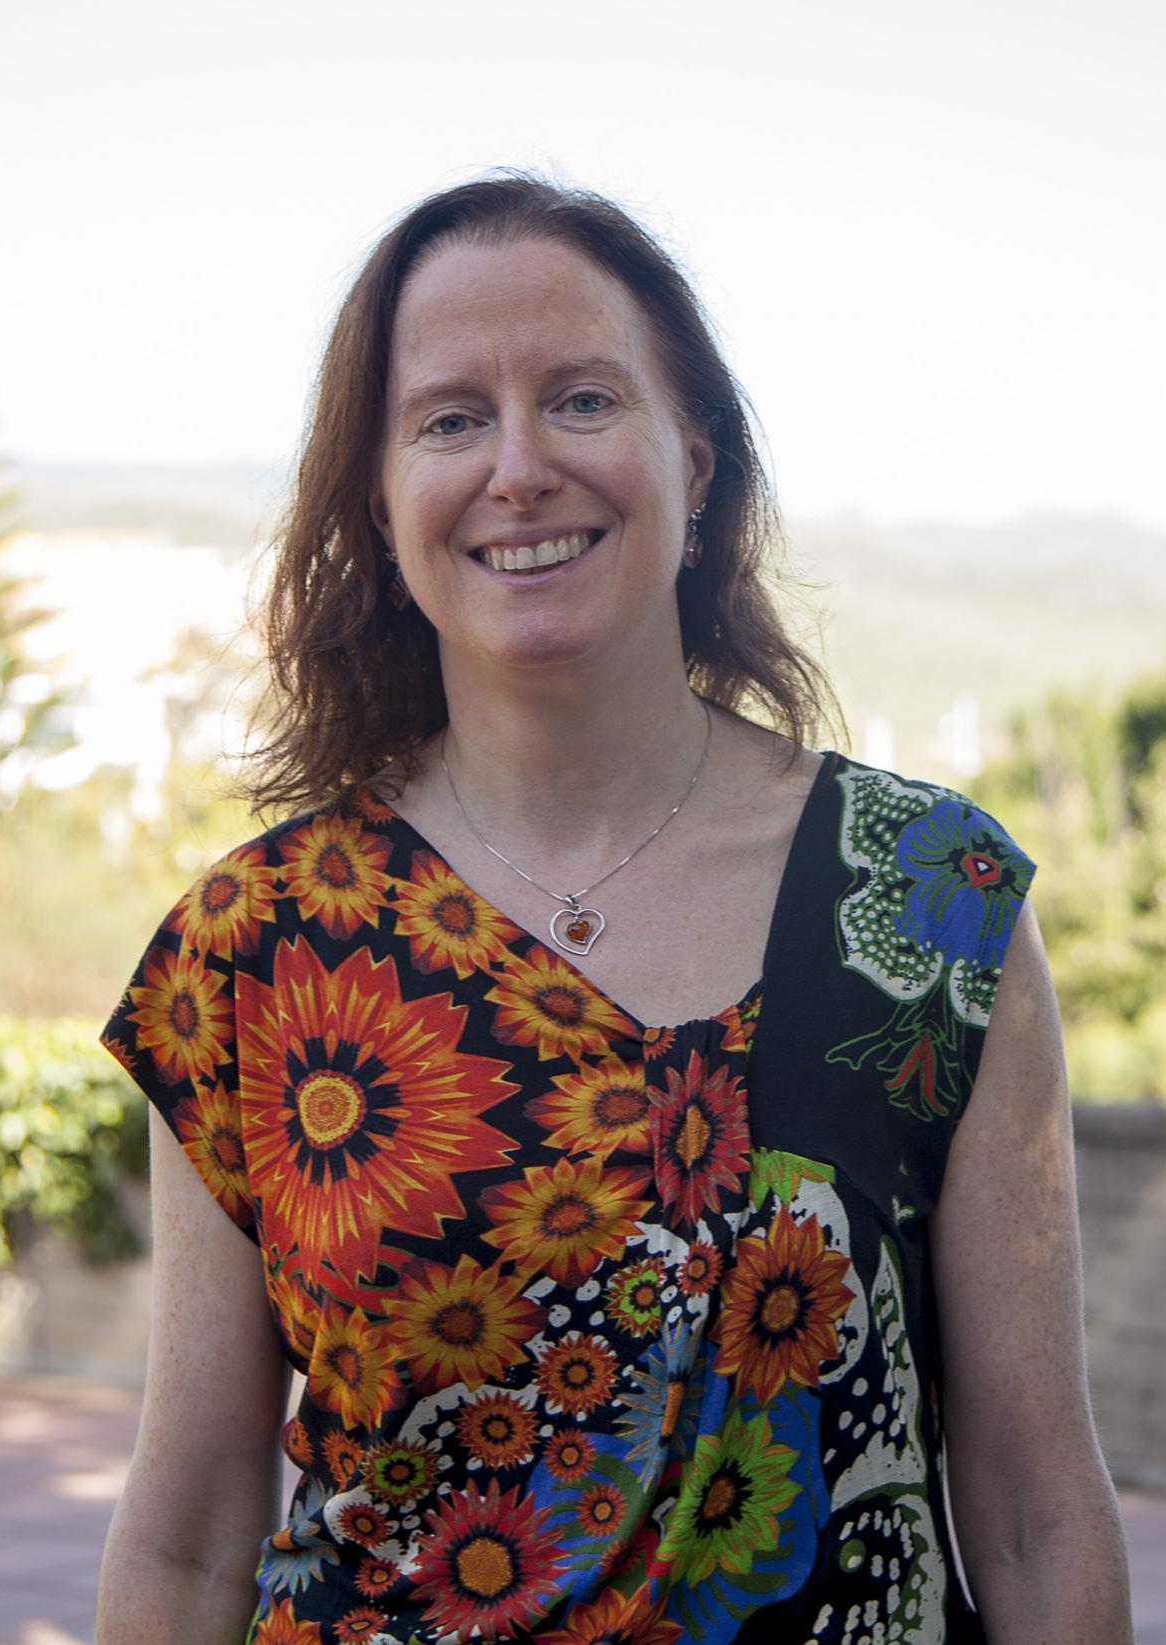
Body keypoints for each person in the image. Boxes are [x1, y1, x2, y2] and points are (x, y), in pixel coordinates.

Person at [96, 175, 1133, 1645]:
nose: (518, 467)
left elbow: (1036, 1517)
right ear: (381, 504)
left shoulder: (933, 904)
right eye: (450, 419)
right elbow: (188, 1540)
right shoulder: (254, 951)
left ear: (695, 463)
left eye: (581, 398)